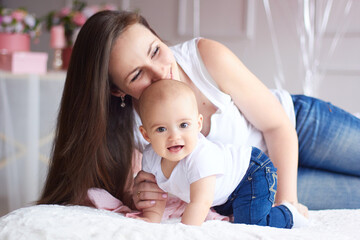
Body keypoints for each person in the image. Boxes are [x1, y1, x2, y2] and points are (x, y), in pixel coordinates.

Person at [38, 10, 360, 214]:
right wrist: (143, 193)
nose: (161, 72)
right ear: (116, 91)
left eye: (156, 51)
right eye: (137, 75)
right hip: (253, 180)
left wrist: (285, 204)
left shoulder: (204, 57)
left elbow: (277, 127)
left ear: (157, 37)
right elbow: (161, 185)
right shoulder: (132, 130)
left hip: (297, 126)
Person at [136, 79, 308, 227]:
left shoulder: (199, 157)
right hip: (225, 193)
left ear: (198, 124)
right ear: (146, 135)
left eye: (183, 125)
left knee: (250, 222)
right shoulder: (151, 157)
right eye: (161, 129)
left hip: (250, 172)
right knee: (232, 211)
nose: (174, 136)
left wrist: (184, 233)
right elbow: (155, 198)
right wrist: (150, 222)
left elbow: (200, 203)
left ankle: (289, 213)